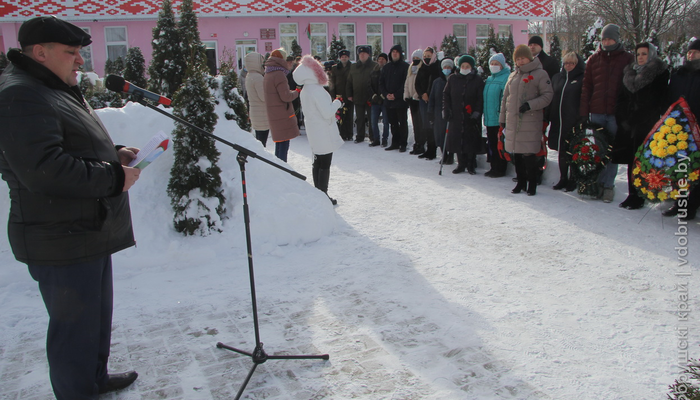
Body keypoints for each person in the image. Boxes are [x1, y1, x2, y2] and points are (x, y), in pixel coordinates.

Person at [0, 16, 140, 399]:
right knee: (72, 331)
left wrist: (114, 154)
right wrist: (113, 177)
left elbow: (69, 144)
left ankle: (93, 379)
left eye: (80, 53)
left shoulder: (50, 86)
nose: (80, 61)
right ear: (40, 53)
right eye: (71, 53)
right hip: (59, 237)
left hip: (84, 231)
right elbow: (45, 170)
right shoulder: (20, 94)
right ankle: (77, 391)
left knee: (93, 320)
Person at [579, 24, 634, 202]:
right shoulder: (594, 59)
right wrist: (584, 111)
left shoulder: (627, 59)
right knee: (598, 150)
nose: (607, 42)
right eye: (604, 39)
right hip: (597, 112)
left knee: (613, 151)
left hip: (615, 114)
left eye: (610, 39)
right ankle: (597, 183)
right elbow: (587, 86)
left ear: (617, 39)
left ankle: (608, 185)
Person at [613, 42, 669, 210]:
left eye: (644, 54)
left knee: (643, 161)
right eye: (638, 54)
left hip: (647, 123)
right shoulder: (629, 73)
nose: (641, 57)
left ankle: (641, 195)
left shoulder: (659, 73)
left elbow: (658, 100)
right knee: (631, 160)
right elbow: (621, 99)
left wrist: (642, 117)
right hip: (628, 124)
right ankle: (632, 194)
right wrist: (623, 119)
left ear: (651, 54)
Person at [500, 45, 553, 195]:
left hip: (529, 120)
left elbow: (547, 95)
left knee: (528, 154)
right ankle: (520, 182)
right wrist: (502, 119)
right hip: (513, 121)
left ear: (529, 58)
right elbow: (505, 99)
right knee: (516, 154)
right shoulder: (513, 75)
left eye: (523, 58)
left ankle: (532, 183)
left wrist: (530, 105)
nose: (520, 61)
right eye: (518, 58)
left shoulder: (540, 74)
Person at [293, 55, 344, 205]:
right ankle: (323, 195)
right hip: (323, 130)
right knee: (325, 163)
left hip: (314, 130)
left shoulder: (305, 90)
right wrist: (337, 103)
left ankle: (318, 192)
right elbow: (327, 112)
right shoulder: (316, 90)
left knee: (317, 161)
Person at [662, 40, 700, 220]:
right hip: (678, 127)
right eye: (690, 52)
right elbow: (670, 98)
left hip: (697, 128)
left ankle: (692, 206)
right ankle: (680, 202)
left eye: (695, 52)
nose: (691, 55)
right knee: (679, 167)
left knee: (695, 168)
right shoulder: (678, 74)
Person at [547, 52, 585, 191]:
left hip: (573, 120)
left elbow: (584, 99)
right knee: (561, 150)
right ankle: (563, 178)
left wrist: (582, 119)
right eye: (566, 63)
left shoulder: (582, 78)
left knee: (573, 150)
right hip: (558, 120)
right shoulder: (558, 78)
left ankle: (573, 179)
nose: (568, 66)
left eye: (572, 63)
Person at [443, 54, 484, 175]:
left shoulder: (477, 80)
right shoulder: (452, 79)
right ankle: (461, 163)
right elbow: (446, 95)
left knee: (470, 139)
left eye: (467, 66)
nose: (465, 68)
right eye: (463, 66)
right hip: (455, 114)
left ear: (471, 67)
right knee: (457, 139)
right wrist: (446, 110)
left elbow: (480, 99)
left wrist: (476, 113)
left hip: (470, 115)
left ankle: (471, 164)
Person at [263, 48, 300, 162]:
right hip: (282, 114)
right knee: (284, 145)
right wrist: (297, 92)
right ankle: (282, 169)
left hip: (274, 113)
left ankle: (278, 167)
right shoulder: (279, 74)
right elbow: (286, 96)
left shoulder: (268, 72)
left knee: (279, 143)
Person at [482, 53, 511, 177]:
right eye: (492, 64)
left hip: (499, 118)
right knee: (492, 144)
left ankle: (500, 168)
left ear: (502, 65)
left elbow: (505, 98)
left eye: (496, 64)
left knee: (499, 144)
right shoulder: (489, 79)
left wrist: (502, 114)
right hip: (489, 118)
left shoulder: (506, 78)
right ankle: (493, 166)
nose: (494, 66)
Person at [380, 44, 410, 152]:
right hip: (389, 101)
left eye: (397, 52)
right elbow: (381, 83)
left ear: (400, 54)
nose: (395, 54)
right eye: (393, 52)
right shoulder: (386, 67)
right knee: (392, 123)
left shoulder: (405, 67)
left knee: (402, 122)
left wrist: (396, 95)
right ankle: (395, 142)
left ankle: (403, 143)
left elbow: (405, 83)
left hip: (401, 101)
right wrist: (386, 94)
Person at [415, 46, 442, 159]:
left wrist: (430, 95)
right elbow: (417, 84)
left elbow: (438, 84)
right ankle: (428, 149)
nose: (426, 58)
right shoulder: (422, 68)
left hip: (434, 101)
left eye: (429, 56)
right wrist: (422, 94)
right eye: (425, 56)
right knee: (425, 125)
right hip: (423, 100)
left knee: (433, 125)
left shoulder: (437, 68)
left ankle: (434, 150)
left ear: (433, 56)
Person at [347, 45, 376, 143]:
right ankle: (360, 136)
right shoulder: (354, 67)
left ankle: (373, 136)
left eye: (364, 53)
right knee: (359, 118)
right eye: (360, 53)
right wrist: (349, 94)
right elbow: (349, 82)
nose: (362, 55)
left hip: (370, 97)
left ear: (368, 54)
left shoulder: (374, 65)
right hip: (358, 96)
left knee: (372, 118)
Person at [428, 57, 454, 164]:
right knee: (440, 135)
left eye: (449, 67)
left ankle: (451, 155)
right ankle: (444, 155)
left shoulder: (454, 80)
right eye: (445, 67)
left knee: (450, 135)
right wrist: (430, 112)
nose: (447, 69)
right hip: (438, 113)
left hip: (450, 113)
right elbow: (432, 98)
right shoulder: (437, 82)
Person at [244, 52, 270, 146]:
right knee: (262, 143)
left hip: (255, 112)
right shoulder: (258, 77)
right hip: (261, 114)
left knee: (259, 140)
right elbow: (263, 97)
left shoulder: (249, 75)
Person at [330, 49, 353, 140]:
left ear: (348, 57)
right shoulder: (335, 68)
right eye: (342, 57)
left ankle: (349, 134)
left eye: (346, 57)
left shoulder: (352, 67)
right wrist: (333, 95)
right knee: (339, 116)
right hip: (338, 95)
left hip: (349, 94)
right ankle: (340, 134)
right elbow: (332, 82)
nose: (344, 58)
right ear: (340, 58)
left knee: (349, 115)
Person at [405, 48, 424, 154]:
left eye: (418, 58)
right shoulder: (410, 70)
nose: (416, 60)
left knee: (421, 123)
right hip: (411, 101)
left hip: (418, 100)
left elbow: (421, 85)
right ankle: (417, 142)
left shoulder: (422, 70)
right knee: (415, 124)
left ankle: (421, 143)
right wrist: (407, 96)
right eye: (414, 58)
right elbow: (407, 84)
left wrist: (416, 96)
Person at [369, 52, 390, 147]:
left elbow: (389, 84)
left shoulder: (388, 71)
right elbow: (369, 85)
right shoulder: (373, 71)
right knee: (373, 121)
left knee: (386, 121)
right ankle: (376, 139)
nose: (381, 61)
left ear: (386, 60)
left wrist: (383, 95)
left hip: (385, 100)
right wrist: (374, 95)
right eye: (379, 59)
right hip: (375, 100)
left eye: (383, 59)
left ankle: (384, 139)